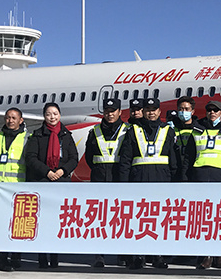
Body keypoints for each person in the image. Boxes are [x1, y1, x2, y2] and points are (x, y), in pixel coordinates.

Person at [118, 97, 178, 268]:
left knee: (159, 220)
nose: (151, 113)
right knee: (139, 220)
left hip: (162, 182)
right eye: (148, 110)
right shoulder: (133, 131)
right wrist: (123, 185)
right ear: (143, 112)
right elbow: (125, 160)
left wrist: (175, 184)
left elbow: (174, 161)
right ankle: (139, 256)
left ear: (159, 111)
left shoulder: (168, 131)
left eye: (154, 110)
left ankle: (158, 255)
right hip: (138, 181)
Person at [26, 102, 79, 269]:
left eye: (55, 114)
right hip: (42, 181)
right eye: (49, 114)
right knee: (42, 220)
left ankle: (55, 255)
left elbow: (74, 158)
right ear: (44, 116)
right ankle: (42, 256)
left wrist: (63, 171)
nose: (52, 117)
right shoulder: (37, 135)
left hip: (61, 182)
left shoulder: (66, 135)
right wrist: (47, 172)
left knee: (57, 220)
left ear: (60, 115)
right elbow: (31, 158)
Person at [191, 100, 221, 269]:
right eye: (209, 110)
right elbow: (189, 154)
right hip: (201, 176)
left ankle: (220, 256)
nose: (212, 113)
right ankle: (205, 256)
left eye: (216, 110)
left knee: (220, 218)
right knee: (203, 217)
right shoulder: (197, 129)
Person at [84, 97, 128, 267]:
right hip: (99, 180)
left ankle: (122, 254)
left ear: (119, 112)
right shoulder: (94, 131)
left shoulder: (127, 131)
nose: (110, 115)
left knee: (121, 218)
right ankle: (99, 255)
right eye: (107, 111)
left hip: (119, 179)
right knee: (99, 219)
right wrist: (99, 171)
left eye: (113, 111)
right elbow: (89, 157)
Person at [0, 107, 30, 270]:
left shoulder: (27, 138)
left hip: (18, 188)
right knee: (0, 225)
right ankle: (2, 258)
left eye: (13, 118)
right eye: (7, 118)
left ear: (21, 120)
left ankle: (16, 256)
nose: (10, 121)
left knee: (18, 224)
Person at [168, 96, 197, 181]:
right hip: (176, 167)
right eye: (181, 109)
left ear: (192, 111)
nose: (183, 112)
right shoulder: (171, 129)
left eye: (187, 109)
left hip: (192, 168)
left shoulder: (198, 129)